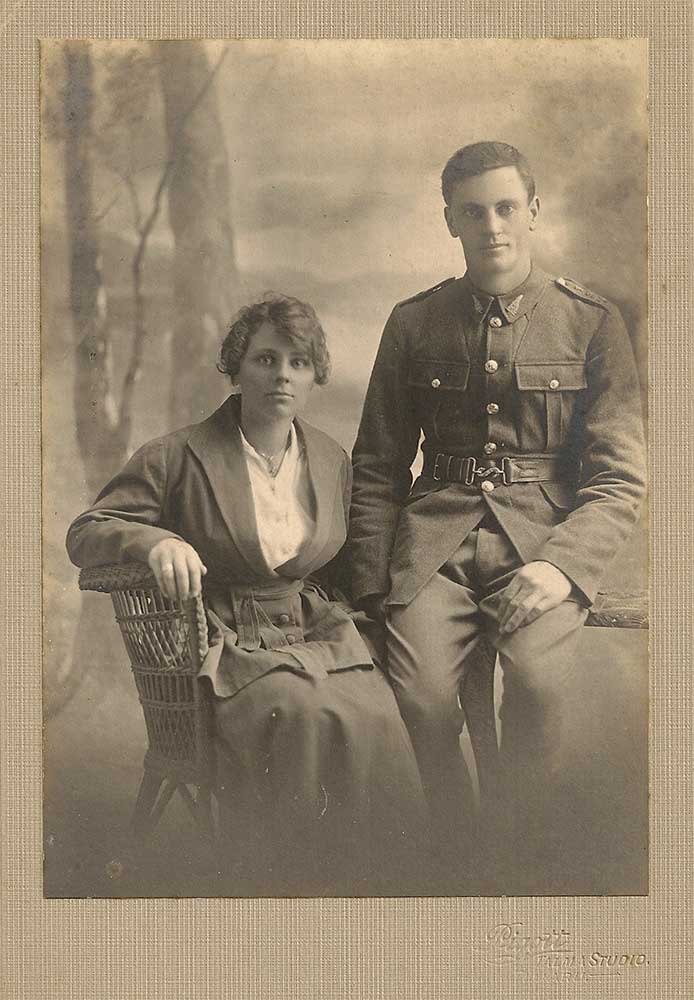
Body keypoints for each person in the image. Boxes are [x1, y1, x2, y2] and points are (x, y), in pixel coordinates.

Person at [348, 141, 646, 891]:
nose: (493, 226)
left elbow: (617, 478)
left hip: (542, 541)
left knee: (538, 690)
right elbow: (379, 466)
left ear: (534, 213)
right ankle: (457, 849)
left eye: (507, 207)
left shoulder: (592, 322)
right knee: (415, 695)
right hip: (433, 544)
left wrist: (562, 567)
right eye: (473, 211)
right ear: (449, 219)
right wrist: (370, 588)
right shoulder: (414, 322)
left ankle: (517, 855)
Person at [66, 294, 429, 897]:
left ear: (314, 376)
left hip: (316, 634)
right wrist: (152, 541)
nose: (281, 375)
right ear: (236, 369)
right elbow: (87, 530)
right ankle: (283, 886)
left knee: (378, 710)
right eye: (264, 359)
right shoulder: (177, 455)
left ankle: (380, 891)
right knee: (301, 710)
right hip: (227, 642)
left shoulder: (332, 459)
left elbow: (350, 554)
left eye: (297, 361)